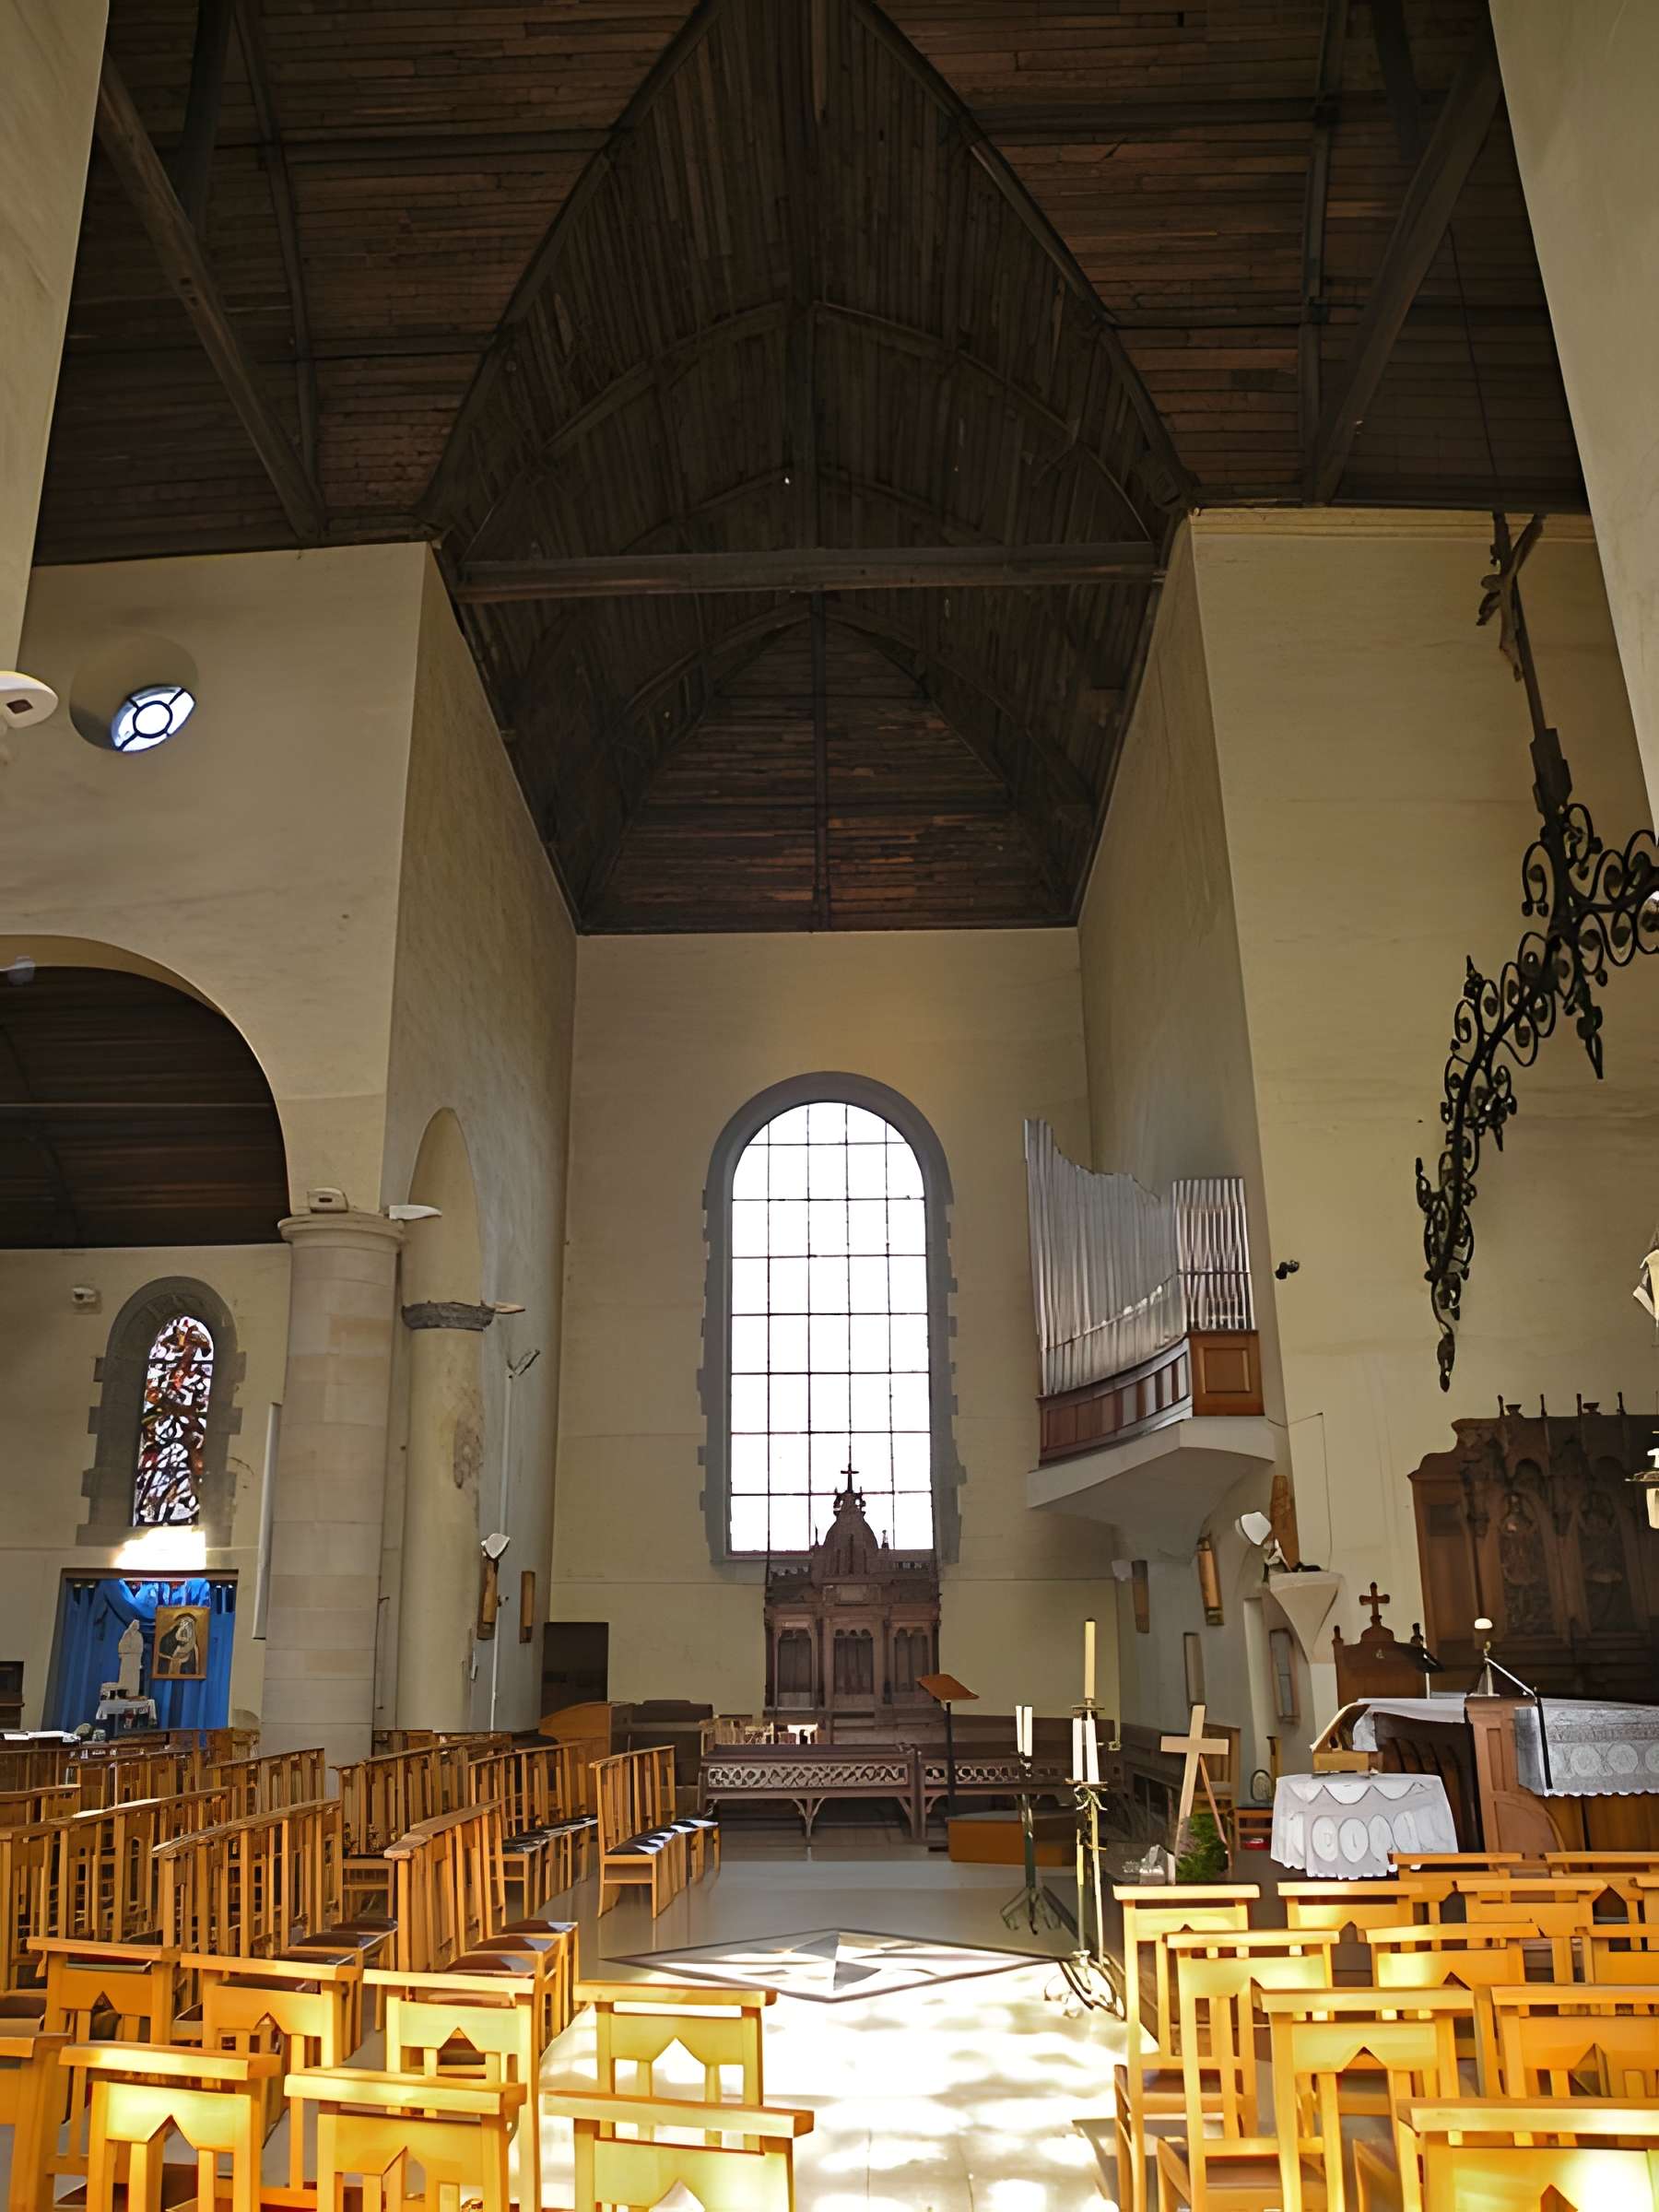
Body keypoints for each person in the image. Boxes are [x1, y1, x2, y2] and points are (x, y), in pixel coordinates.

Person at [154, 1610, 201, 1676]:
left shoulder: (193, 1646)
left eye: (189, 1624)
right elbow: (163, 1651)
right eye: (184, 1622)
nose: (186, 1626)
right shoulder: (168, 1638)